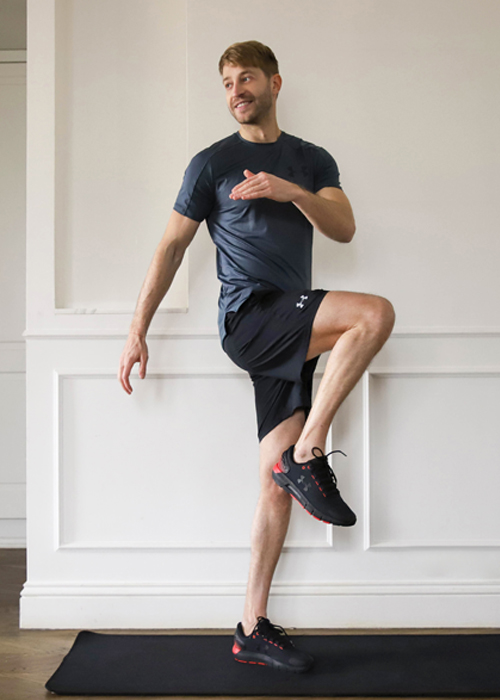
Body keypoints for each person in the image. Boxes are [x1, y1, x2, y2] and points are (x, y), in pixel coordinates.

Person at [118, 40, 395, 673]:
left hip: (290, 327)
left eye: (245, 78)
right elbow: (170, 248)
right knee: (374, 313)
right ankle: (309, 453)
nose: (235, 91)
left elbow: (344, 228)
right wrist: (136, 331)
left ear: (274, 83)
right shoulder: (211, 163)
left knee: (274, 483)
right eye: (226, 83)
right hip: (250, 317)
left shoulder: (310, 159)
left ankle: (251, 628)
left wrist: (291, 190)